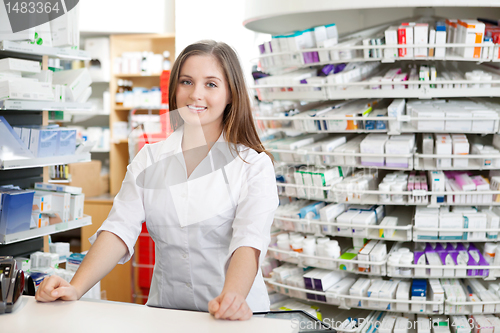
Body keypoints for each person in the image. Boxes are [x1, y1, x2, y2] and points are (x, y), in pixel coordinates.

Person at [35, 40, 279, 321]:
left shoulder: (252, 165)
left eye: (211, 84)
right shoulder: (149, 158)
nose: (195, 94)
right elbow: (118, 229)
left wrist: (233, 296)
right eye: (186, 82)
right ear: (174, 89)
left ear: (230, 95)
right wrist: (75, 288)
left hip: (235, 316)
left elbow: (248, 241)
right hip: (167, 313)